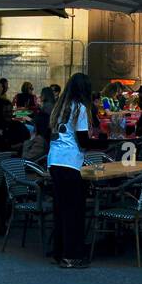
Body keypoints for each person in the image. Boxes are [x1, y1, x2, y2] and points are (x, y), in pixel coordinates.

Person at [47, 72, 94, 268]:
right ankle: (71, 255)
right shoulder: (80, 108)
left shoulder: (60, 107)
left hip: (54, 161)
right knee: (73, 211)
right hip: (70, 162)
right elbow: (82, 140)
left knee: (60, 209)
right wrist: (98, 144)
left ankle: (58, 251)